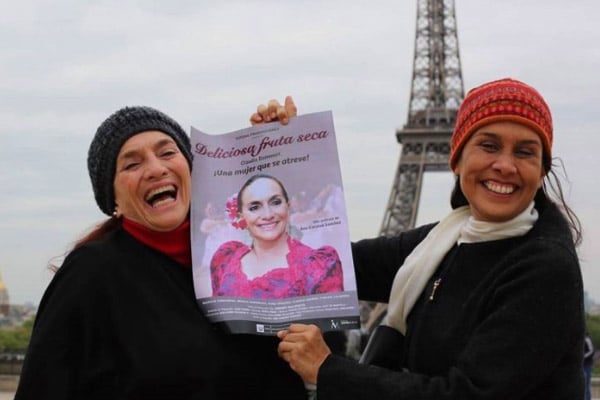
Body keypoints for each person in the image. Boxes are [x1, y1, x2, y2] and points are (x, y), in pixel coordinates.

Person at [254, 80, 586, 399]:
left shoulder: (545, 268)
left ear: (541, 171)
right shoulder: (443, 241)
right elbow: (326, 263)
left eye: (525, 152)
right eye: (489, 145)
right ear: (457, 157)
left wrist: (327, 369)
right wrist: (280, 153)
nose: (505, 165)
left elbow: (468, 395)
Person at [15, 106, 307, 399]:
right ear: (113, 199)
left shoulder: (238, 252)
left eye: (167, 153)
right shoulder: (91, 273)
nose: (156, 169)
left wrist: (278, 145)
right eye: (132, 164)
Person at [210, 173, 344, 299]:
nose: (268, 215)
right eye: (254, 207)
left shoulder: (319, 265)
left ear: (288, 207)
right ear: (241, 216)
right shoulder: (225, 258)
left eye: (276, 202)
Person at [584, 331, 596, 400]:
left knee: (586, 384)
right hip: (582, 365)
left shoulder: (587, 339)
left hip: (587, 365)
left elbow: (592, 351)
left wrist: (583, 356)